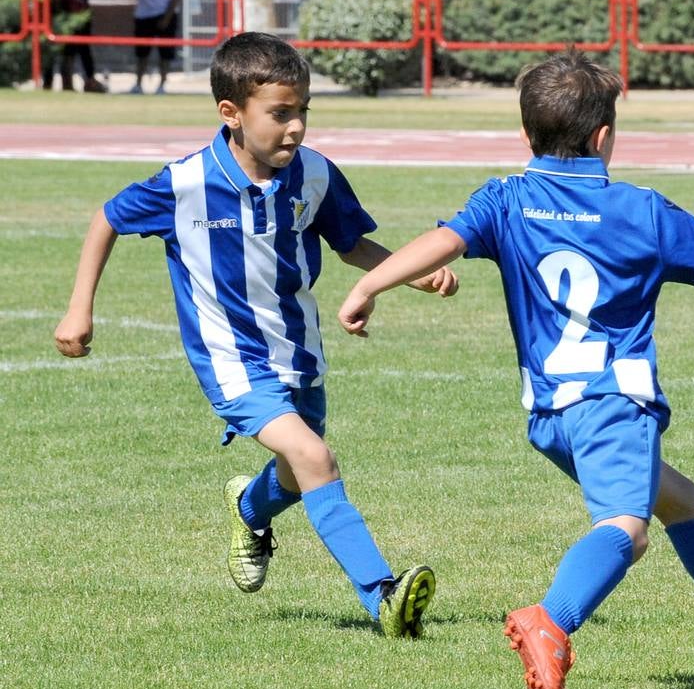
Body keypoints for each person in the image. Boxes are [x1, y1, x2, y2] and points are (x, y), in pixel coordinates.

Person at [338, 49, 694, 689]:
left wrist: (371, 282)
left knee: (681, 502)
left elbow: (445, 242)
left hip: (550, 416)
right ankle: (552, 619)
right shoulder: (641, 210)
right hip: (613, 403)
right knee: (628, 529)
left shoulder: (505, 199)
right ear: (603, 137)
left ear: (525, 136)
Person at [54, 32, 454, 638]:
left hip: (299, 351)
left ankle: (249, 510)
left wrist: (410, 273)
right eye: (280, 114)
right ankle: (383, 598)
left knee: (299, 472)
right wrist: (78, 308)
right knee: (316, 456)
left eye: (302, 113)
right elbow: (108, 216)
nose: (295, 128)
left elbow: (350, 246)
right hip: (230, 359)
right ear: (231, 115)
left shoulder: (314, 174)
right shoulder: (185, 183)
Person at [42, 0, 106, 93]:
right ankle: (47, 84)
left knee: (79, 49)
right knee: (52, 50)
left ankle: (78, 83)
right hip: (57, 13)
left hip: (78, 12)